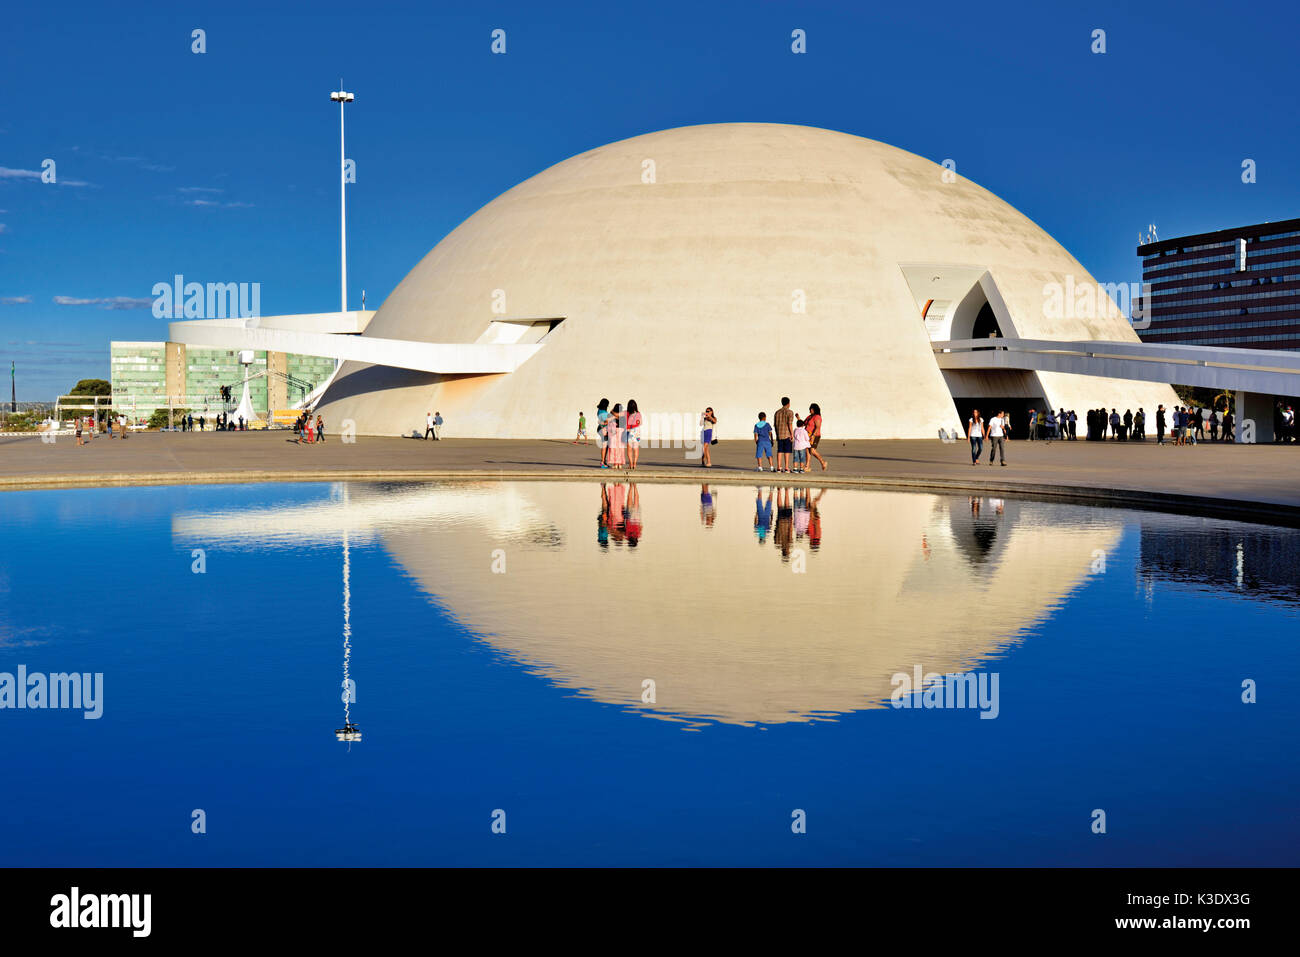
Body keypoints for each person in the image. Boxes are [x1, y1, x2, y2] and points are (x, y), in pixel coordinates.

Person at [773, 396, 795, 473]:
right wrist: (792, 435)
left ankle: (779, 467)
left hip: (779, 434)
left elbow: (775, 424)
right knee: (787, 451)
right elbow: (790, 424)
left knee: (780, 451)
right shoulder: (790, 412)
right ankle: (786, 468)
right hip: (787, 434)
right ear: (788, 403)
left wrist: (776, 434)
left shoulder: (777, 412)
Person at [805, 403, 828, 471]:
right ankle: (807, 466)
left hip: (815, 435)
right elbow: (804, 423)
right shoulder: (809, 417)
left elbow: (818, 427)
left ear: (814, 409)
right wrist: (798, 418)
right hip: (808, 435)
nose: (810, 410)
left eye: (811, 409)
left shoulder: (817, 417)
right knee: (808, 451)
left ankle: (823, 462)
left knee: (812, 451)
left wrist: (813, 435)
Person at [606, 403, 625, 468]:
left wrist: (612, 413)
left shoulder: (611, 414)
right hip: (621, 431)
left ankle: (615, 464)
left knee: (614, 448)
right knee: (620, 448)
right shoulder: (623, 414)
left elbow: (607, 421)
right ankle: (620, 464)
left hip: (614, 431)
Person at [625, 399, 641, 469]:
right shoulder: (638, 414)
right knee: (636, 449)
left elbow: (626, 424)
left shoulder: (627, 413)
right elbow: (640, 423)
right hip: (637, 432)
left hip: (630, 432)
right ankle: (635, 464)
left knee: (629, 449)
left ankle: (630, 464)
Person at [596, 398, 611, 467]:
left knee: (605, 446)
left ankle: (604, 461)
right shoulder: (605, 413)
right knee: (604, 446)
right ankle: (602, 462)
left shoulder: (599, 411)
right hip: (604, 430)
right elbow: (606, 422)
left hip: (600, 428)